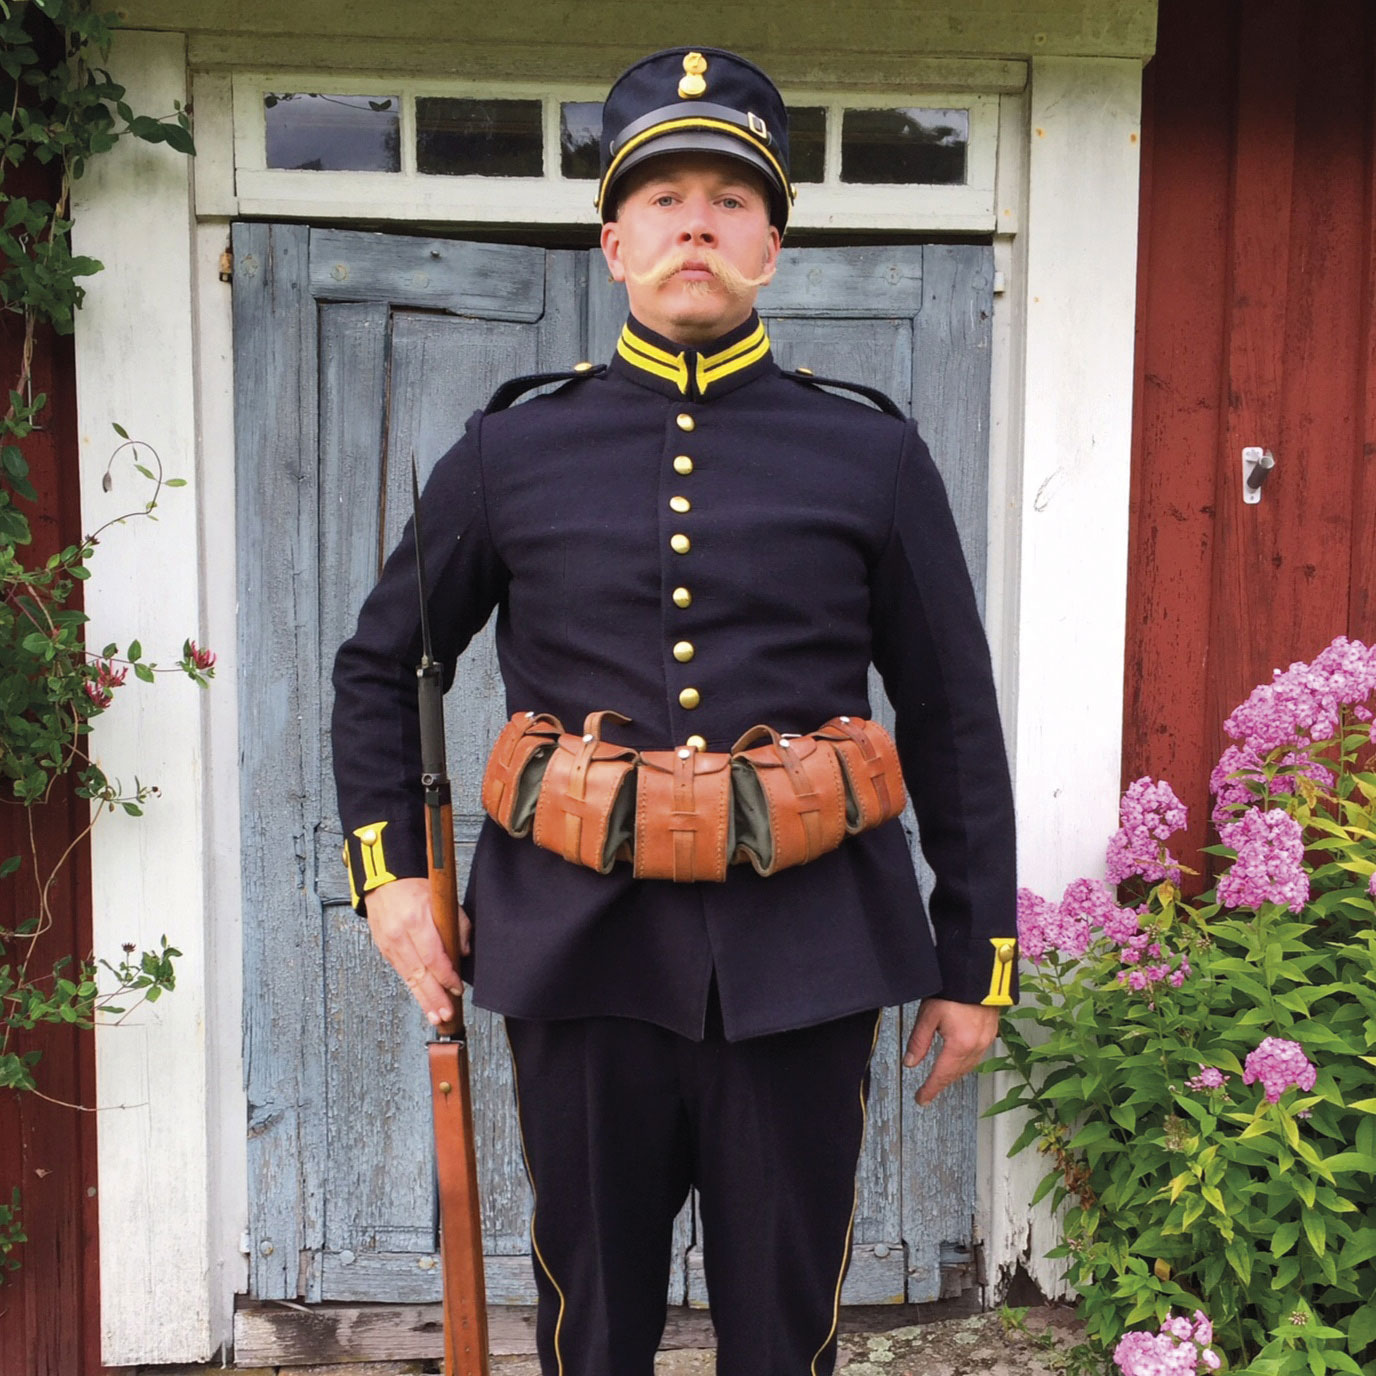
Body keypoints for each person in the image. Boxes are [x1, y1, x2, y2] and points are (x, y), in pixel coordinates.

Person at [332, 45, 1018, 1376]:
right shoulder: (512, 450)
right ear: (613, 242)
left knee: (785, 1329)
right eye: (661, 197)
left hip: (808, 953)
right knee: (595, 1329)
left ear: (773, 244)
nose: (693, 221)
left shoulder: (871, 455)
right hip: (579, 959)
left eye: (728, 199)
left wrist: (972, 957)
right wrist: (391, 885)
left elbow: (953, 713)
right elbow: (383, 665)